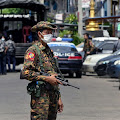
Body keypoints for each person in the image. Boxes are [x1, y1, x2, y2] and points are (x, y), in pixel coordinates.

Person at [21, 21, 63, 120]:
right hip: (40, 97)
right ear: (40, 34)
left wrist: (59, 98)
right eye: (47, 32)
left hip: (53, 95)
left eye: (51, 33)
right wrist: (46, 78)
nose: (50, 35)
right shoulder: (33, 51)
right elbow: (26, 72)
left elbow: (54, 75)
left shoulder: (49, 51)